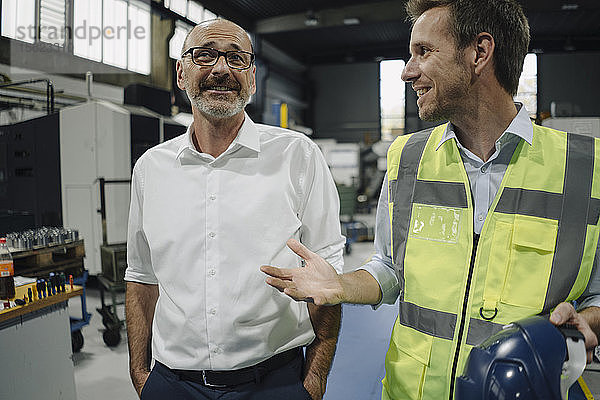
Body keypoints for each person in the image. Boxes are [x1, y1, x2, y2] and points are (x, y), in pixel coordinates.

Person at [261, 1, 600, 399]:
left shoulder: (586, 169)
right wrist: (341, 285)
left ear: (479, 53)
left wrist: (588, 321)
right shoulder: (407, 159)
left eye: (423, 51)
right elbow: (390, 268)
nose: (407, 71)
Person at [125, 19, 345, 400]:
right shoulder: (151, 168)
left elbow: (326, 269)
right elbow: (142, 277)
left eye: (236, 58)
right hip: (172, 384)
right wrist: (141, 375)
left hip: (275, 382)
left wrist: (313, 380)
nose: (221, 69)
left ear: (252, 77)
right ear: (181, 72)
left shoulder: (297, 156)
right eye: (205, 55)